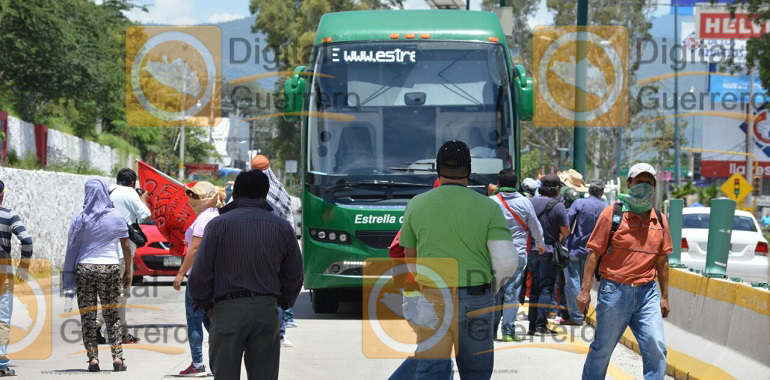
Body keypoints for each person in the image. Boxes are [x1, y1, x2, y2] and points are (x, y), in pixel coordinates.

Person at [400, 140, 516, 379]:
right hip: (476, 298)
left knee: (431, 371)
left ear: (437, 168)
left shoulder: (416, 205)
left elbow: (410, 258)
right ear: (469, 170)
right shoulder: (489, 207)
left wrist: (424, 288)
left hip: (433, 297)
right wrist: (491, 289)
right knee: (476, 373)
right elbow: (506, 262)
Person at [189, 170, 304, 380]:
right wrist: (283, 302)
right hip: (266, 310)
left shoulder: (218, 225)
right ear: (266, 193)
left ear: (237, 192)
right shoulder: (282, 227)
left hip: (226, 310)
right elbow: (295, 274)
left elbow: (199, 274)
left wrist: (205, 304)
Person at [578, 163, 671, 379]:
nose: (644, 186)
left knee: (656, 346)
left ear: (655, 187)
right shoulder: (612, 214)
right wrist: (584, 291)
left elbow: (662, 261)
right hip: (614, 292)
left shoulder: (659, 219)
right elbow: (594, 255)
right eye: (639, 182)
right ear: (629, 184)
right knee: (603, 349)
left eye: (649, 183)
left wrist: (665, 297)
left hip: (647, 293)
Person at [387, 179, 454, 380]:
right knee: (432, 354)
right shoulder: (423, 216)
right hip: (419, 293)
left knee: (436, 353)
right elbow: (397, 250)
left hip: (427, 293)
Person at [63, 179, 130, 372]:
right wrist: (129, 272)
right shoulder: (116, 215)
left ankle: (93, 359)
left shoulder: (80, 217)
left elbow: (71, 247)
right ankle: (117, 358)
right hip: (109, 268)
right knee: (112, 315)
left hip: (84, 269)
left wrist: (68, 276)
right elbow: (126, 245)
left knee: (88, 316)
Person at [172, 181, 225, 376]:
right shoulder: (214, 216)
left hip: (198, 277)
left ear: (208, 198)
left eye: (197, 195)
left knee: (194, 320)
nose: (193, 199)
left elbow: (194, 250)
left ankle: (197, 363)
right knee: (208, 320)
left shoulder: (204, 219)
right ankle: (222, 358)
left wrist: (180, 274)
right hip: (212, 276)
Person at [490, 169, 546, 342]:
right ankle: (508, 331)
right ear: (515, 184)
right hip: (518, 253)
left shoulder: (491, 202)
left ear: (498, 183)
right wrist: (540, 244)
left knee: (494, 292)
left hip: (495, 253)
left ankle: (492, 330)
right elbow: (535, 226)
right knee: (512, 292)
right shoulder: (524, 202)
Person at [100, 168, 151, 345]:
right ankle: (99, 324)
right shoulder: (130, 192)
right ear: (133, 183)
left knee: (115, 291)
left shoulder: (108, 192)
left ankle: (120, 330)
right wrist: (143, 200)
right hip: (123, 250)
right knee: (121, 291)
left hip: (105, 250)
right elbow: (145, 215)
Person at [251, 154, 299, 344]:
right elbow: (288, 219)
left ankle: (275, 332)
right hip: (278, 247)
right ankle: (280, 330)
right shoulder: (279, 191)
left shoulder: (255, 190)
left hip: (260, 246)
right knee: (275, 288)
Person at [527, 174, 569, 336]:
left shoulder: (530, 202)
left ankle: (532, 325)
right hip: (549, 251)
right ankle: (540, 326)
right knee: (546, 288)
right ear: (557, 188)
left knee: (535, 288)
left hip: (532, 250)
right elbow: (565, 231)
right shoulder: (558, 206)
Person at [561, 179, 606, 326]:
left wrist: (565, 239)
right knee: (586, 282)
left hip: (575, 247)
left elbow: (567, 224)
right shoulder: (606, 208)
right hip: (595, 252)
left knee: (572, 282)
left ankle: (576, 316)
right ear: (602, 193)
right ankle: (583, 311)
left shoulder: (579, 203)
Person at [0, 180, 33, 377]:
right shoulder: (9, 215)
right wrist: (24, 266)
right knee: (2, 318)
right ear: (2, 195)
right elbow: (26, 240)